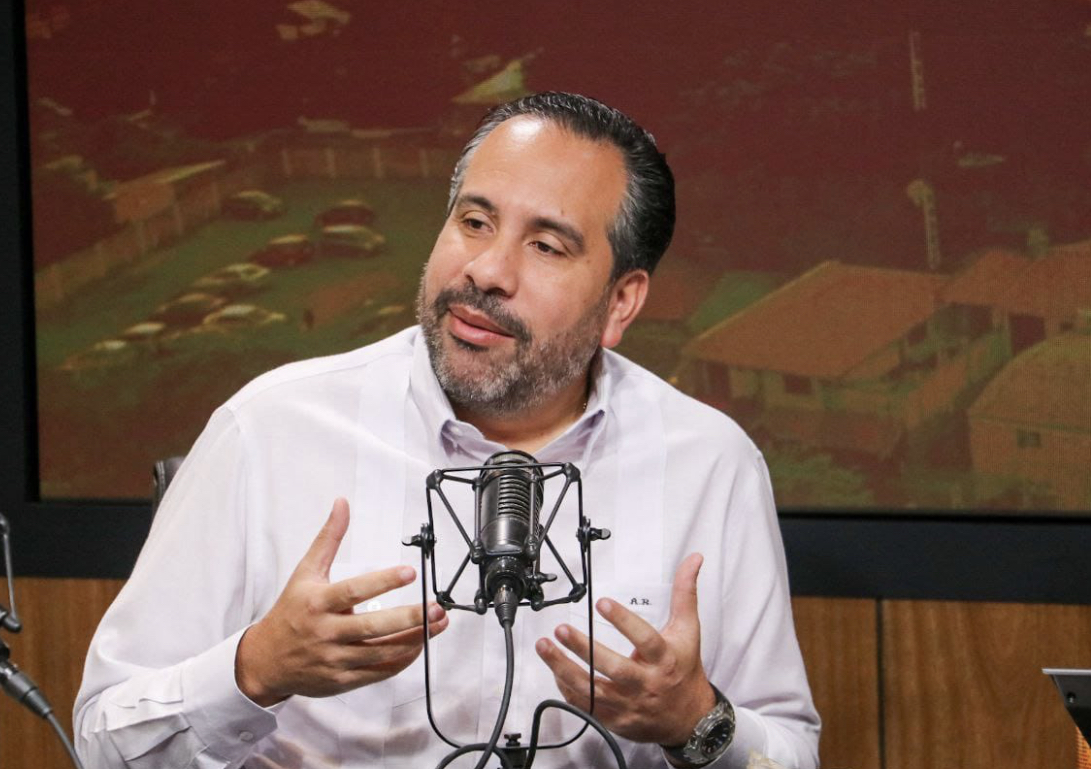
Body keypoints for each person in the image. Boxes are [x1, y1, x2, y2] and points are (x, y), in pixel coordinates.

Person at [75, 92, 820, 769]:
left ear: (620, 302)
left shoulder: (710, 462)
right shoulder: (267, 430)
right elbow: (105, 740)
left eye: (546, 245)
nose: (487, 271)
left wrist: (695, 721)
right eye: (474, 222)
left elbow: (786, 753)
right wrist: (254, 669)